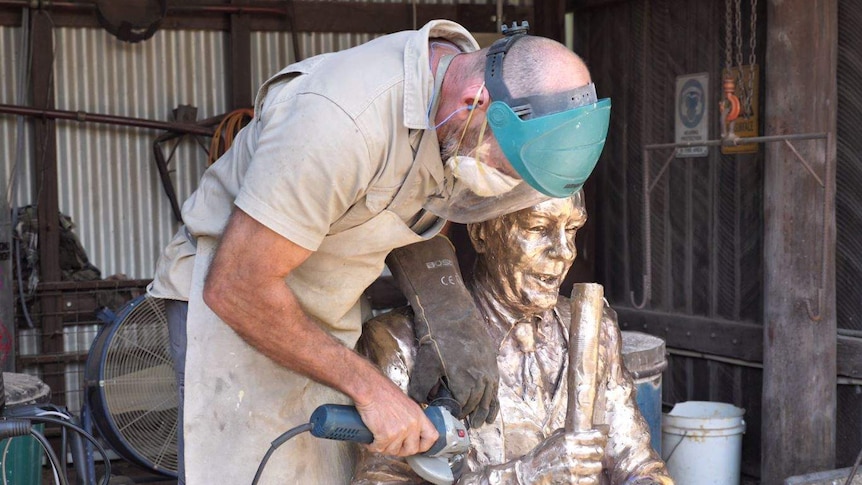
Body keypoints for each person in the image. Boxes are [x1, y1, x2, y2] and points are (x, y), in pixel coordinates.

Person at [148, 19, 612, 484]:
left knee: (325, 472)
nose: (501, 185)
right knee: (253, 469)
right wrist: (371, 388)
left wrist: (450, 316)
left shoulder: (456, 119)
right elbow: (236, 286)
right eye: (503, 168)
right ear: (476, 104)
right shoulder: (337, 124)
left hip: (327, 304)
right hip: (237, 301)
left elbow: (412, 211)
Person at [353, 194, 673, 485]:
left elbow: (639, 465)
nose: (564, 251)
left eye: (572, 229)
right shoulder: (401, 342)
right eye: (538, 228)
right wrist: (523, 475)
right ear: (481, 233)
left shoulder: (595, 328)